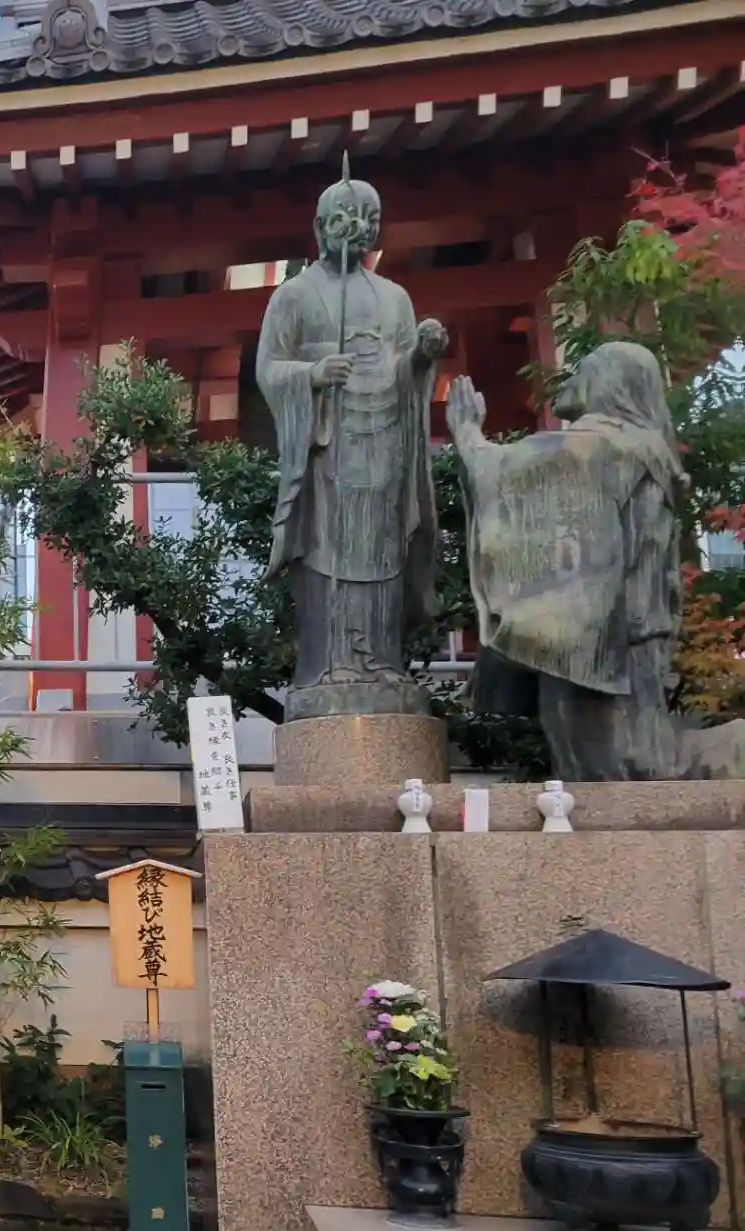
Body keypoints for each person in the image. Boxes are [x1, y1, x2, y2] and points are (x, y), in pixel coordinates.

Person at [257, 163, 446, 717]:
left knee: (385, 549)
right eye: (344, 218)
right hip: (327, 446)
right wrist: (313, 374)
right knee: (326, 554)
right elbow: (269, 368)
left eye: (368, 218)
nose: (357, 228)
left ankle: (382, 661)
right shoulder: (294, 296)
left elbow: (406, 369)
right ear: (319, 226)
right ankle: (328, 664)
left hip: (384, 440)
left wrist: (422, 354)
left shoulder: (395, 298)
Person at [448, 343, 685, 779]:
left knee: (605, 767)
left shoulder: (608, 446)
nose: (570, 380)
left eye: (582, 371)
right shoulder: (637, 447)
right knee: (607, 761)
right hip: (632, 637)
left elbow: (512, 471)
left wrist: (467, 433)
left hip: (606, 643)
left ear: (609, 384)